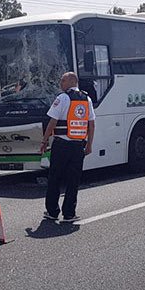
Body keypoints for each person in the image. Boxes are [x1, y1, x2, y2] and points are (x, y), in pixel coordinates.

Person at [40, 72, 95, 222]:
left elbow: (52, 122)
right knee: (73, 180)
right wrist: (89, 144)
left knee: (55, 178)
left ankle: (52, 211)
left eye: (63, 80)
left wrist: (44, 141)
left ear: (72, 81)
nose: (60, 83)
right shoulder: (86, 99)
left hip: (62, 145)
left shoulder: (62, 98)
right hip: (78, 146)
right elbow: (91, 124)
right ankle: (69, 213)